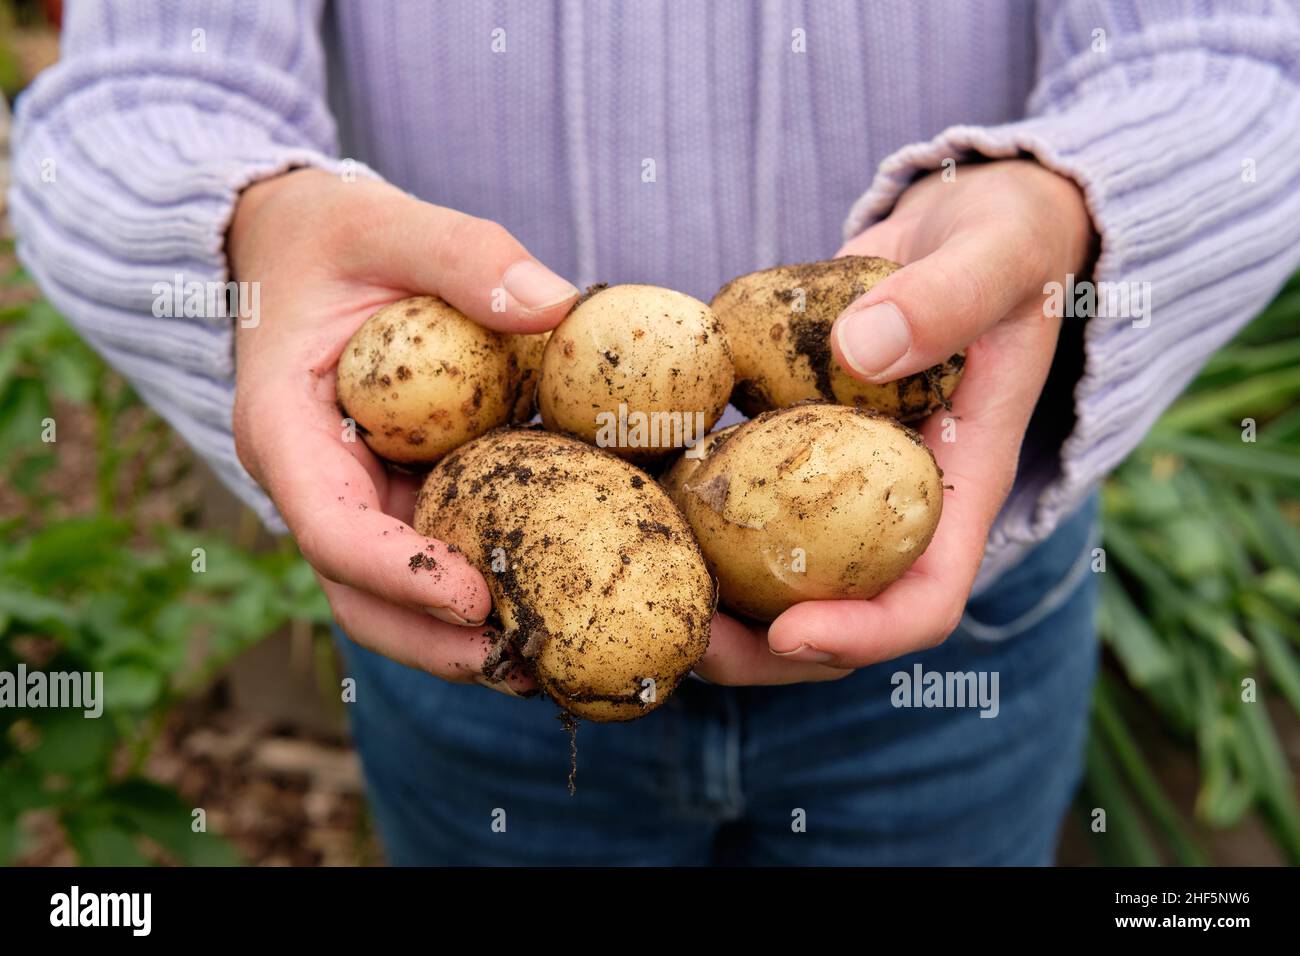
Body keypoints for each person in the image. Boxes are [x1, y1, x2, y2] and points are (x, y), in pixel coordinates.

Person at [11, 1, 1300, 865]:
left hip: (969, 629)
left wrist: (1068, 200)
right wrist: (254, 223)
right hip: (474, 649)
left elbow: (1242, 58)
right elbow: (136, 88)